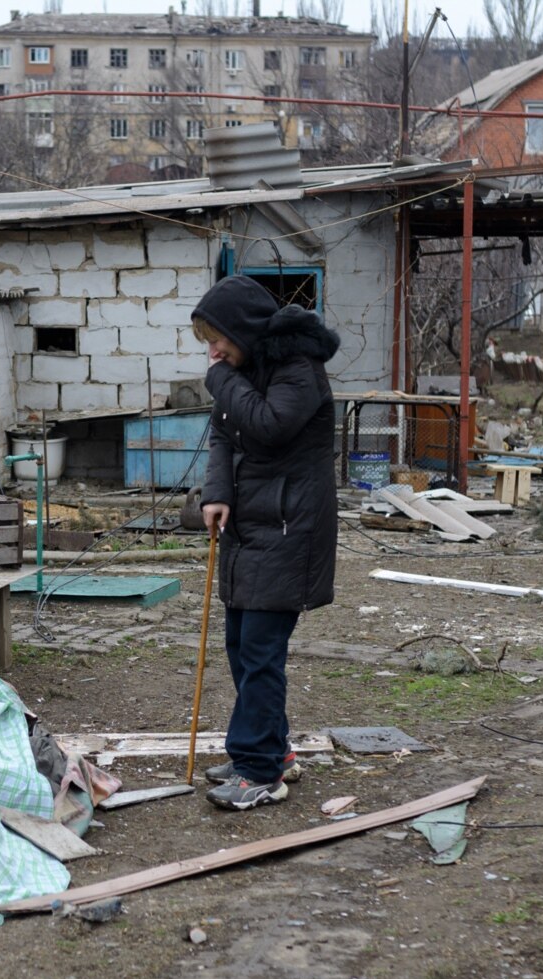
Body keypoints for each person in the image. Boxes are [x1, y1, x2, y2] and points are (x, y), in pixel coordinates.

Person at [193, 275, 339, 810]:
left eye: (219, 339)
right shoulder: (246, 370)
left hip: (289, 528)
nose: (213, 351)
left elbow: (269, 424)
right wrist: (216, 492)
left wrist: (218, 379)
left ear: (243, 331)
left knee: (260, 651)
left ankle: (259, 773)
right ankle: (273, 752)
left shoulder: (298, 370)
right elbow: (225, 435)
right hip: (251, 525)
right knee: (242, 645)